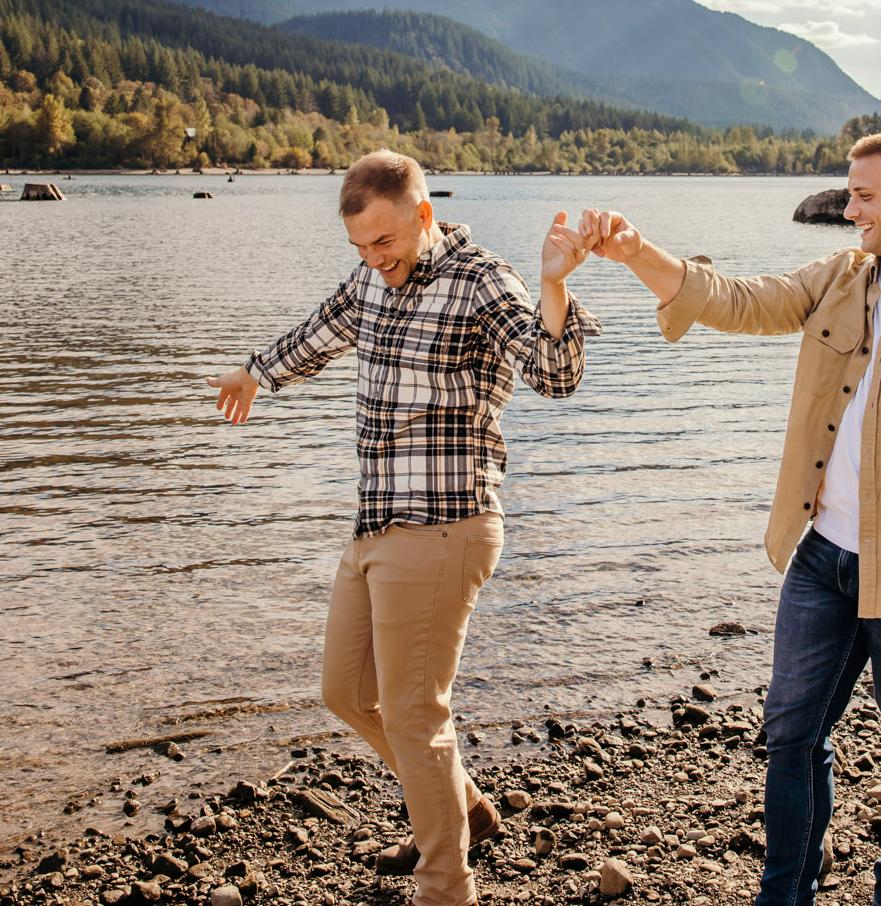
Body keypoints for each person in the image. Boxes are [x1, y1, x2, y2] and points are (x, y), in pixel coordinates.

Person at [580, 130, 881, 906]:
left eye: (864, 194)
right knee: (791, 734)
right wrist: (635, 253)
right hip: (821, 557)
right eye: (849, 192)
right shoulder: (839, 279)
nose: (849, 207)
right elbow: (739, 301)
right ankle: (783, 896)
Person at [206, 150, 600, 906]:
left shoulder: (483, 280)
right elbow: (322, 331)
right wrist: (254, 372)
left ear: (423, 215)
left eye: (384, 243)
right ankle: (465, 810)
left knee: (417, 712)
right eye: (360, 247)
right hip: (376, 521)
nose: (374, 260)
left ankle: (445, 885)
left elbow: (553, 375)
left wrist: (554, 282)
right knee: (348, 692)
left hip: (447, 526)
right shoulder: (369, 278)